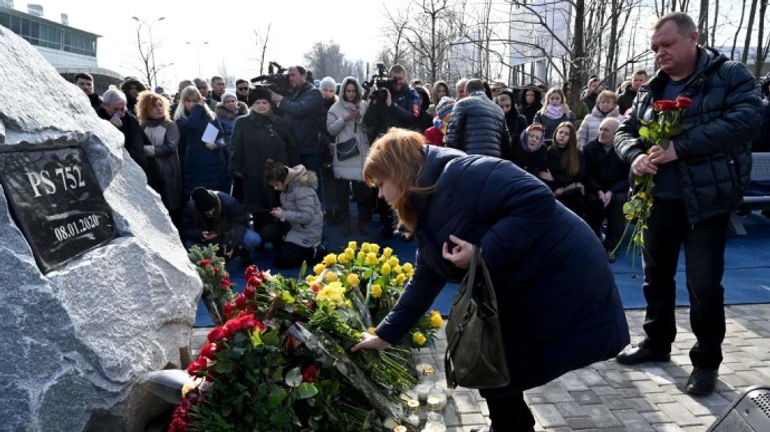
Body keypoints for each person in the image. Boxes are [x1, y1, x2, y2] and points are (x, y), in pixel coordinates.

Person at [352, 129, 629, 432]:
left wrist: (482, 252)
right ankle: (512, 425)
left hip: (560, 274)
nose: (379, 195)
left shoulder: (463, 174)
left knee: (500, 362)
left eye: (380, 185)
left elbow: (537, 198)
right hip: (525, 280)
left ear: (399, 172)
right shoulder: (425, 199)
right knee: (497, 363)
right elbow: (426, 276)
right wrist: (385, 334)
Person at [614, 12, 763, 395]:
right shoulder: (651, 88)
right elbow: (626, 130)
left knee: (704, 288)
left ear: (692, 37)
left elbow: (747, 120)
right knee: (655, 280)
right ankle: (656, 343)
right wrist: (634, 155)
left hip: (706, 203)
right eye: (654, 48)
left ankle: (706, 362)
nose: (659, 53)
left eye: (666, 45)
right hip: (655, 201)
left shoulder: (730, 75)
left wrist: (680, 148)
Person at [362, 64, 421, 240]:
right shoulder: (381, 93)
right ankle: (386, 226)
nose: (397, 82)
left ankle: (409, 224)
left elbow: (412, 117)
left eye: (400, 79)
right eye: (393, 79)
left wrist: (391, 104)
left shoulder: (412, 94)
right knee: (381, 187)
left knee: (407, 187)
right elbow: (367, 121)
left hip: (403, 149)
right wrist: (373, 102)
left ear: (405, 78)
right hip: (383, 149)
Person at [230, 87, 300, 232]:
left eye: (264, 102)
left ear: (270, 104)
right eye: (257, 103)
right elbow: (236, 147)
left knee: (280, 205)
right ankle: (260, 239)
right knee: (259, 209)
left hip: (279, 172)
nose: (261, 105)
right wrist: (236, 168)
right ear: (251, 105)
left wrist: (295, 169)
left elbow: (292, 147)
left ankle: (280, 238)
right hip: (254, 171)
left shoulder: (280, 123)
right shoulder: (242, 123)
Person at [326, 76, 374, 236]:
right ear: (344, 91)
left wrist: (360, 117)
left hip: (361, 152)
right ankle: (345, 222)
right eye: (348, 91)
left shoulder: (364, 105)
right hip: (345, 154)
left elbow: (370, 128)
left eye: (354, 91)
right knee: (342, 194)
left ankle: (363, 221)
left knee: (363, 193)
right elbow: (331, 130)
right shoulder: (334, 108)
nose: (351, 94)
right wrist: (345, 119)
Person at [263, 160, 325, 269]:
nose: (275, 188)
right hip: (297, 228)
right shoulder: (289, 186)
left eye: (276, 184)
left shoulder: (302, 189)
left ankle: (314, 252)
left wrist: (283, 214)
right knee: (268, 232)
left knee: (281, 263)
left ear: (283, 179)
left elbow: (307, 217)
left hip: (308, 231)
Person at [136, 90, 184, 226]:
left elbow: (169, 147)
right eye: (154, 106)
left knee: (173, 208)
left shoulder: (170, 125)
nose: (159, 108)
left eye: (160, 105)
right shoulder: (141, 126)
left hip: (168, 172)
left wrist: (144, 150)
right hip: (150, 173)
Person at [583, 118, 628, 262]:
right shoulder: (589, 148)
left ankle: (611, 246)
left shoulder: (624, 149)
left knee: (619, 202)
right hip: (596, 188)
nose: (601, 132)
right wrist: (598, 190)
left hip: (616, 190)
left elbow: (628, 177)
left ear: (616, 133)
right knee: (591, 201)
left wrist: (611, 191)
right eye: (600, 129)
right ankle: (593, 241)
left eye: (606, 130)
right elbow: (587, 174)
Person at [174, 85, 229, 197]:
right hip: (196, 164)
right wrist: (199, 107)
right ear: (183, 102)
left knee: (218, 196)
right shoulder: (181, 119)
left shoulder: (210, 116)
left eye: (195, 101)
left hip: (214, 161)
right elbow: (192, 125)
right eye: (188, 101)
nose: (192, 104)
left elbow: (221, 136)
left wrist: (217, 144)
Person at [181, 187, 261, 263]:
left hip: (228, 235)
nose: (211, 214)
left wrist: (233, 244)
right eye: (207, 213)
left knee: (253, 239)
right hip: (206, 240)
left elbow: (240, 225)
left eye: (212, 210)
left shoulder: (229, 203)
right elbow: (185, 229)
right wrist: (199, 235)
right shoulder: (191, 207)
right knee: (192, 249)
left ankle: (242, 253)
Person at [269, 66, 324, 175]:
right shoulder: (293, 93)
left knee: (310, 182)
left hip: (308, 148)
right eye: (289, 75)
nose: (290, 78)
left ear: (304, 75)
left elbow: (299, 110)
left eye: (293, 75)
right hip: (293, 147)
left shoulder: (313, 93)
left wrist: (280, 99)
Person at [446, 79, 510, 158]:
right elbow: (506, 142)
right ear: (484, 90)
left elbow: (452, 136)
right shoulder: (499, 110)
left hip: (470, 160)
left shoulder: (462, 104)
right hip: (493, 162)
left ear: (466, 92)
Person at [97, 89, 151, 181]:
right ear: (105, 106)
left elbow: (144, 142)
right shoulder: (97, 120)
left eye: (122, 109)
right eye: (115, 109)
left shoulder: (132, 121)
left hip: (136, 168)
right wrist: (111, 127)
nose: (119, 112)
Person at [539, 122, 585, 217]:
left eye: (566, 134)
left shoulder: (577, 154)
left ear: (571, 137)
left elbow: (578, 177)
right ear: (556, 133)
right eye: (560, 132)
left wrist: (554, 179)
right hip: (547, 189)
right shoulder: (545, 148)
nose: (562, 135)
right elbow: (540, 172)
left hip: (568, 191)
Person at [496, 90, 528, 161]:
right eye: (501, 106)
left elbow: (523, 141)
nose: (504, 109)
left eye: (507, 106)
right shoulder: (494, 118)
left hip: (515, 158)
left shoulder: (520, 119)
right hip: (498, 156)